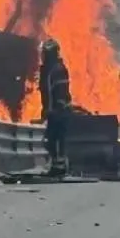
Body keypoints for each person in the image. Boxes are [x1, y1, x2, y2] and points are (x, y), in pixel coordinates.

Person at [38, 38, 72, 175]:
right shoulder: (48, 70)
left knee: (57, 139)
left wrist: (57, 108)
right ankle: (56, 165)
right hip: (53, 112)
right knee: (51, 139)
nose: (42, 56)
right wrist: (46, 110)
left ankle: (59, 166)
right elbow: (46, 92)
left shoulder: (57, 70)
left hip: (59, 112)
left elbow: (61, 92)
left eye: (45, 53)